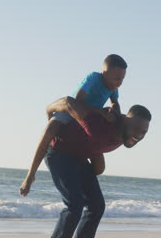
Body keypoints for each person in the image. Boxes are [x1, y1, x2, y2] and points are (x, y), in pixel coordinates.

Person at [35, 96, 151, 238]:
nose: (139, 135)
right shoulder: (100, 125)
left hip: (80, 158)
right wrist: (49, 110)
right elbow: (69, 102)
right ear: (125, 120)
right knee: (74, 204)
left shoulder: (123, 132)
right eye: (136, 129)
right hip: (59, 152)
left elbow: (97, 145)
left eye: (144, 132)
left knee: (97, 206)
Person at [19, 54, 127, 197]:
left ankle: (78, 175)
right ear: (105, 73)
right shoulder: (94, 78)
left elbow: (115, 102)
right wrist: (100, 112)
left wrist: (116, 114)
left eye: (122, 79)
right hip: (70, 111)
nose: (119, 83)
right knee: (49, 131)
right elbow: (77, 102)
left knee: (100, 168)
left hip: (90, 120)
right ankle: (30, 175)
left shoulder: (113, 86)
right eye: (117, 78)